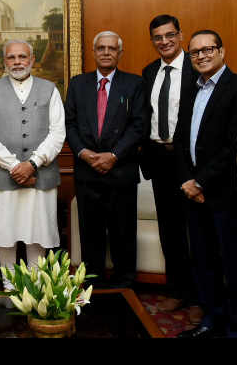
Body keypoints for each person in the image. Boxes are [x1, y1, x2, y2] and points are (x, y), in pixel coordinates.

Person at [173, 30, 237, 338]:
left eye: (208, 49)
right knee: (203, 259)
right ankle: (211, 320)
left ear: (222, 51)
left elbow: (235, 145)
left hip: (222, 193)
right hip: (192, 194)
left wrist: (201, 182)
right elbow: (181, 139)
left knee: (231, 260)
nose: (202, 56)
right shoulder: (192, 88)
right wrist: (187, 181)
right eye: (195, 52)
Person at [0, 40, 65, 288]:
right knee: (4, 234)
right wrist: (15, 166)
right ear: (4, 61)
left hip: (41, 176)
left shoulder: (50, 89)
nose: (17, 62)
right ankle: (10, 287)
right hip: (1, 177)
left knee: (38, 234)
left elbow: (58, 132)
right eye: (11, 57)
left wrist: (33, 163)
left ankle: (36, 290)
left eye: (22, 57)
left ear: (32, 60)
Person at [65, 31, 146, 288]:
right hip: (87, 173)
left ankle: (125, 289)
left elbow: (139, 125)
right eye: (101, 48)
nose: (106, 52)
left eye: (112, 48)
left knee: (124, 235)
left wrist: (113, 155)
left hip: (121, 172)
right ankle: (93, 288)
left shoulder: (134, 84)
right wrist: (84, 153)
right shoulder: (77, 84)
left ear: (120, 53)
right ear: (93, 52)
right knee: (91, 236)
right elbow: (70, 124)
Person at [140, 15, 201, 321]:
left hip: (189, 161)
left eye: (169, 35)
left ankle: (200, 298)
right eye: (158, 37)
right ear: (152, 40)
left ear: (181, 35)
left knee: (196, 232)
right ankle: (177, 291)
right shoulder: (149, 71)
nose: (164, 41)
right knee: (170, 231)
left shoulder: (197, 67)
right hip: (159, 160)